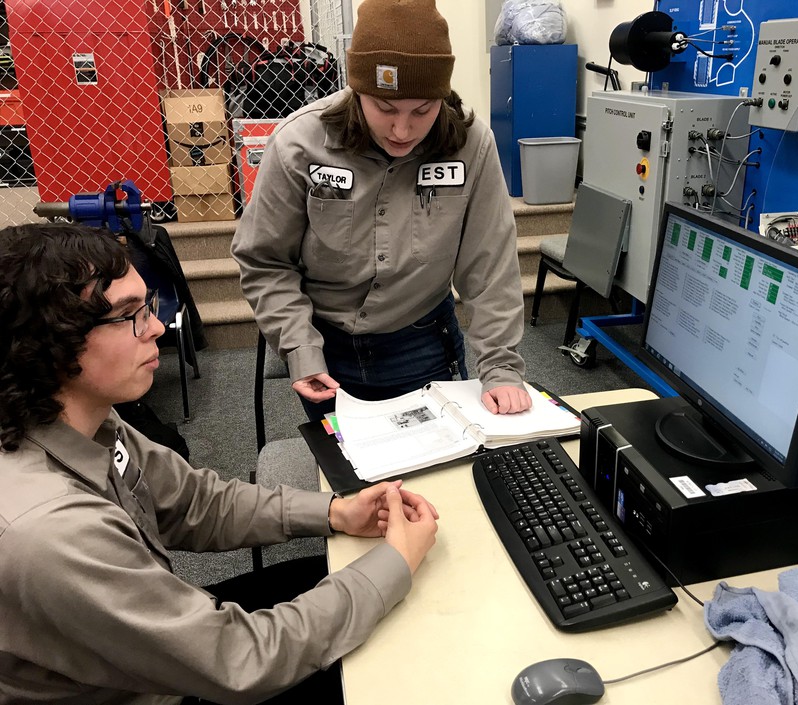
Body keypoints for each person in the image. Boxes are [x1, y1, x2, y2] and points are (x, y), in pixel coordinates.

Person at [0, 223, 439, 704]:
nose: (157, 327)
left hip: (167, 649)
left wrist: (334, 512)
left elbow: (194, 502)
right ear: (47, 342)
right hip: (169, 686)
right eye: (129, 316)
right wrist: (396, 562)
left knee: (356, 589)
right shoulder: (47, 530)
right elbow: (239, 661)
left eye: (147, 306)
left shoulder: (84, 419)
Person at [231, 0, 533, 422]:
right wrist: (300, 346)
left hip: (422, 342)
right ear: (357, 91)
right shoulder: (300, 143)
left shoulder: (470, 143)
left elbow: (491, 264)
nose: (402, 130)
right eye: (385, 108)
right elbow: (264, 260)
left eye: (422, 110)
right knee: (350, 480)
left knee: (441, 475)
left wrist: (500, 366)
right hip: (324, 347)